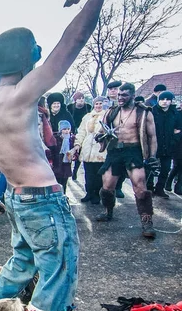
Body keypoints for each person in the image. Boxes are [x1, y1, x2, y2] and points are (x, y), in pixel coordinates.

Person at [0, 0, 125, 311]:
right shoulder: (22, 93)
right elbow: (73, 42)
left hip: (17, 199)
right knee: (56, 281)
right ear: (25, 58)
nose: (40, 55)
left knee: (22, 263)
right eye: (35, 50)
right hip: (45, 204)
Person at [95, 83, 159, 239]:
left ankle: (146, 221)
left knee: (140, 187)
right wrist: (99, 136)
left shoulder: (143, 113)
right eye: (119, 95)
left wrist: (152, 156)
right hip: (114, 151)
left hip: (133, 151)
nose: (120, 98)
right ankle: (108, 211)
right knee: (107, 186)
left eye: (124, 95)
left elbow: (152, 137)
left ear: (132, 95)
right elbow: (101, 131)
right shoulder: (111, 112)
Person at [73, 96, 107, 204]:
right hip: (88, 148)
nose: (98, 106)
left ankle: (97, 194)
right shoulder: (87, 117)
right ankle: (89, 193)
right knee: (88, 173)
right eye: (96, 104)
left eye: (100, 104)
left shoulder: (107, 116)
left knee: (98, 174)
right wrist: (78, 144)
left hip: (100, 148)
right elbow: (82, 131)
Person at [149, 91, 181, 198]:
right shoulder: (152, 111)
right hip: (153, 144)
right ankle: (149, 187)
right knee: (150, 167)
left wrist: (173, 141)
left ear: (171, 101)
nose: (165, 102)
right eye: (162, 99)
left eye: (167, 100)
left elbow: (177, 130)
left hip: (168, 146)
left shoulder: (175, 113)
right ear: (158, 100)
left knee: (165, 169)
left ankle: (160, 188)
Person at [67, 91, 91, 179]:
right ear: (75, 100)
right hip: (72, 131)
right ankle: (68, 169)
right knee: (70, 151)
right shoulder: (70, 107)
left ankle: (75, 171)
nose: (81, 100)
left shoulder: (88, 107)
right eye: (79, 99)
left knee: (80, 152)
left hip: (84, 131)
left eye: (82, 98)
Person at [51, 120, 76, 194]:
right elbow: (52, 150)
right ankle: (57, 195)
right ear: (61, 130)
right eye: (64, 129)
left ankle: (64, 194)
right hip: (57, 163)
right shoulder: (55, 138)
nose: (66, 131)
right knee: (57, 181)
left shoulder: (71, 139)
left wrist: (74, 155)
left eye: (68, 129)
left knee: (65, 181)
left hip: (66, 163)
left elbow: (75, 150)